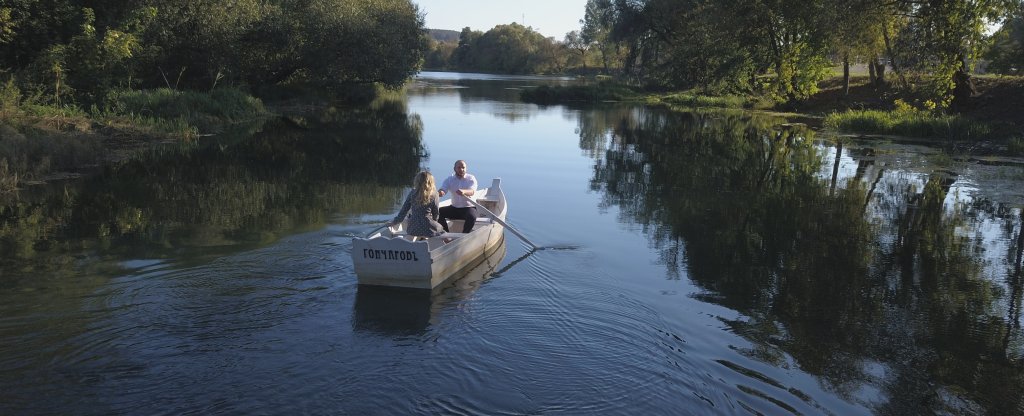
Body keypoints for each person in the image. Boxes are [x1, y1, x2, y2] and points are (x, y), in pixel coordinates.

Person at [388, 171, 446, 240]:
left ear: (417, 181)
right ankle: (447, 243)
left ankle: (422, 239)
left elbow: (403, 211)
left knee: (415, 229)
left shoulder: (412, 192)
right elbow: (435, 214)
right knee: (441, 230)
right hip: (428, 227)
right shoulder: (435, 194)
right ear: (431, 182)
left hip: (413, 228)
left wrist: (395, 222)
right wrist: (434, 223)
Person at [438, 159, 478, 233]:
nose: (461, 169)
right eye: (459, 167)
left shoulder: (471, 178)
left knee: (472, 217)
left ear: (466, 168)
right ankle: (446, 234)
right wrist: (441, 192)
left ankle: (464, 236)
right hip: (454, 208)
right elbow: (443, 189)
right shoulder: (449, 179)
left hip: (468, 208)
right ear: (454, 169)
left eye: (463, 167)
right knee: (438, 212)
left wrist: (464, 191)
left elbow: (472, 191)